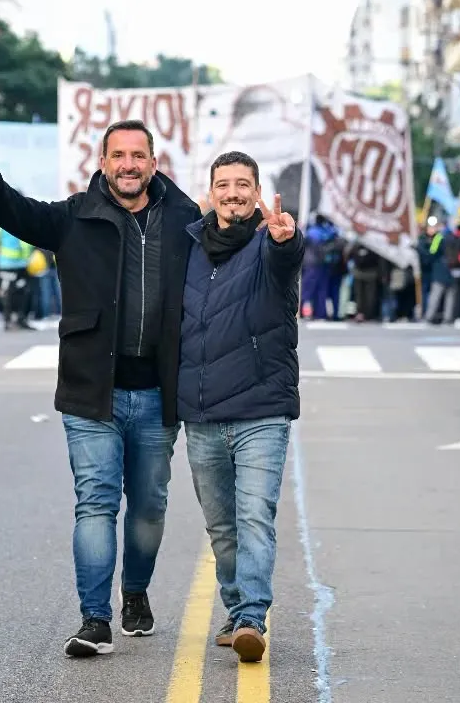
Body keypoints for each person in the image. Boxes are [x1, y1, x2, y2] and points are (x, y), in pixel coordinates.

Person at [0, 107, 201, 657]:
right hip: (92, 390)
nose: (128, 164)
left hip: (160, 392)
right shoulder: (74, 217)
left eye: (138, 155)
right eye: (118, 155)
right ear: (103, 162)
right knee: (95, 503)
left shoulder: (185, 219)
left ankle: (134, 591)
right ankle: (95, 619)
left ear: (154, 162)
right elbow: (13, 211)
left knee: (147, 509)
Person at [177, 151, 304, 663]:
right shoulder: (187, 248)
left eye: (242, 185)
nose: (233, 192)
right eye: (223, 184)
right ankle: (236, 611)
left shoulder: (267, 241)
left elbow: (288, 256)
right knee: (222, 526)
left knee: (254, 517)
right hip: (202, 412)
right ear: (210, 193)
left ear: (256, 192)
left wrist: (285, 239)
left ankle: (252, 615)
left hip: (261, 411)